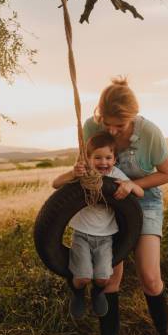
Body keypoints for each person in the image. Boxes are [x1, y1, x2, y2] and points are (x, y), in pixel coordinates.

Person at [78, 77, 168, 335]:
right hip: (108, 204)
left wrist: (136, 185)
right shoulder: (91, 127)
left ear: (132, 116)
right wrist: (81, 168)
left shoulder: (150, 132)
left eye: (119, 126)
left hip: (144, 201)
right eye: (107, 123)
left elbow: (167, 173)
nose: (111, 130)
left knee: (149, 276)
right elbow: (90, 164)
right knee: (109, 277)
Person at [52, 131, 144, 320]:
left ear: (115, 159)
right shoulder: (83, 175)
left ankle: (97, 293)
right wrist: (72, 173)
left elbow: (140, 193)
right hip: (82, 235)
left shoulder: (116, 175)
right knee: (82, 277)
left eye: (108, 157)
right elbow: (55, 184)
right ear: (88, 159)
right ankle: (77, 294)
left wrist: (129, 185)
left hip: (105, 237)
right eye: (98, 158)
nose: (104, 163)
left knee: (103, 278)